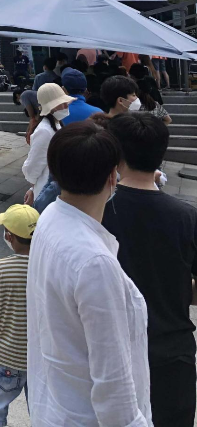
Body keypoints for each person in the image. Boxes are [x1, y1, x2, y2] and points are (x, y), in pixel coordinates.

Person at [27, 121, 152, 427]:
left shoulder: (50, 217)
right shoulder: (95, 263)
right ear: (113, 176)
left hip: (55, 406)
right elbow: (114, 393)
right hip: (84, 417)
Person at [103, 113, 197, 427]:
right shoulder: (187, 217)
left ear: (116, 153)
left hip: (113, 352)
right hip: (172, 353)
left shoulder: (100, 211)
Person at [0, 204, 39, 427]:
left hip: (6, 357)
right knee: (40, 412)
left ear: (9, 236)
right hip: (39, 358)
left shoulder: (0, 269)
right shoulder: (47, 268)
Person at [22, 83, 73, 201]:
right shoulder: (44, 131)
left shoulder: (56, 124)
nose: (66, 106)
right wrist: (33, 188)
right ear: (51, 107)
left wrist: (32, 188)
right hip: (46, 191)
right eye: (61, 103)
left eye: (66, 102)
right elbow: (32, 167)